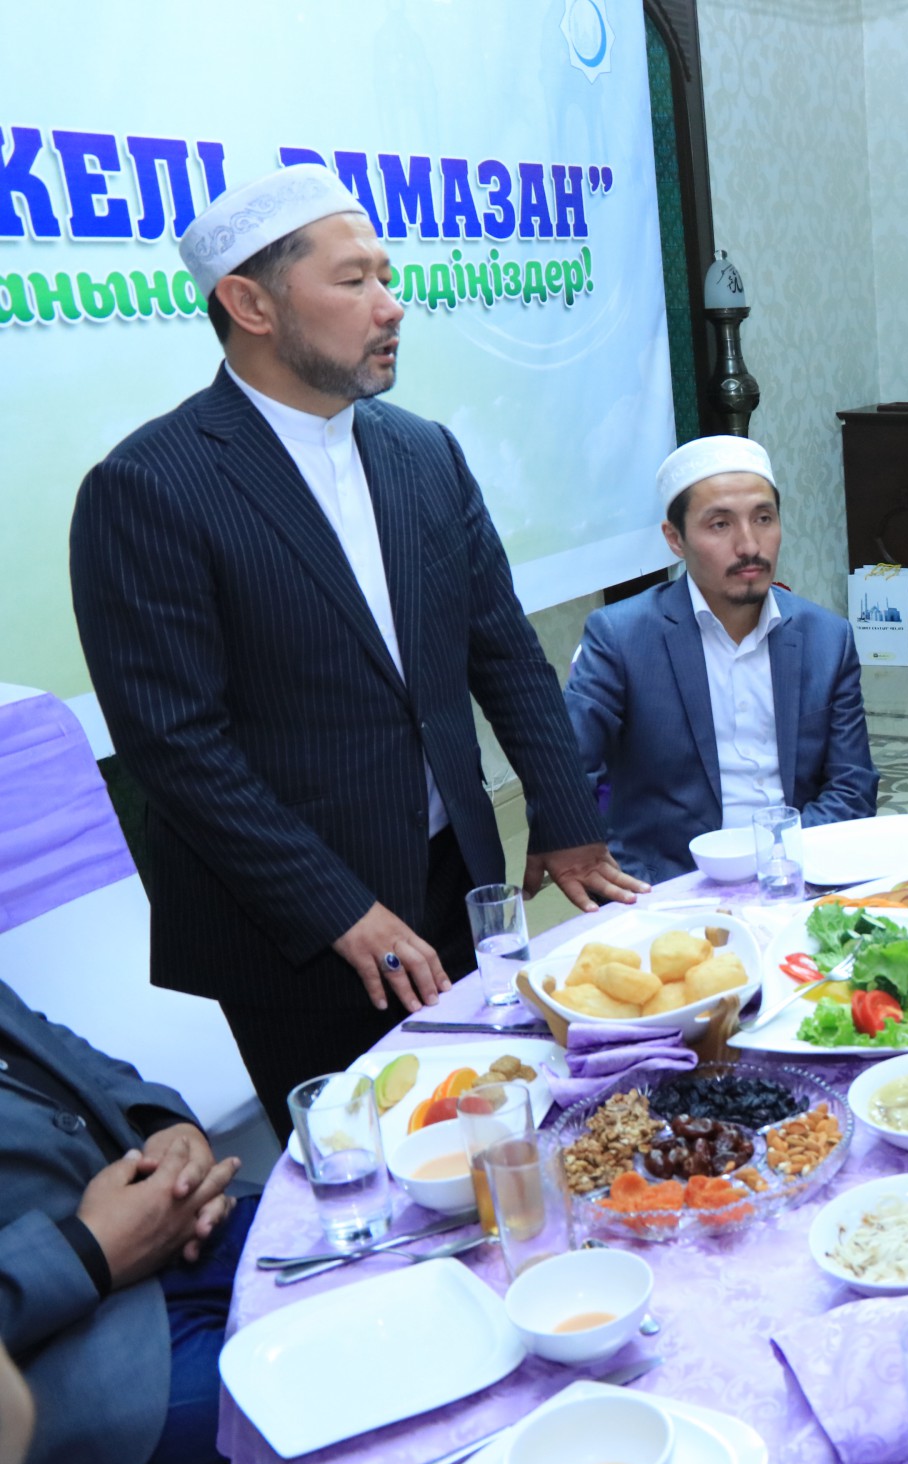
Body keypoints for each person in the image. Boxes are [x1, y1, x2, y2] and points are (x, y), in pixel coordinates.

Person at [69, 166, 642, 1139]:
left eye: (387, 275)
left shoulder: (422, 451)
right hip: (292, 927)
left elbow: (501, 646)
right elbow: (178, 748)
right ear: (250, 304)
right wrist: (339, 910)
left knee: (492, 1129)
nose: (391, 305)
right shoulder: (149, 486)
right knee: (364, 1164)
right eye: (354, 281)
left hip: (453, 879)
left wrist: (564, 815)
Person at [0, 978, 248, 1464]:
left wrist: (167, 1127)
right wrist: (89, 1249)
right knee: (301, 1409)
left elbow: (48, 1043)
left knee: (375, 1254)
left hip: (179, 1230)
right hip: (64, 1369)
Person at [565, 437, 877, 883]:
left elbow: (852, 786)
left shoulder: (827, 638)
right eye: (720, 525)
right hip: (670, 887)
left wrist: (780, 863)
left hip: (800, 869)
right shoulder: (621, 637)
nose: (749, 544)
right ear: (675, 539)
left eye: (764, 519)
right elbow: (573, 772)